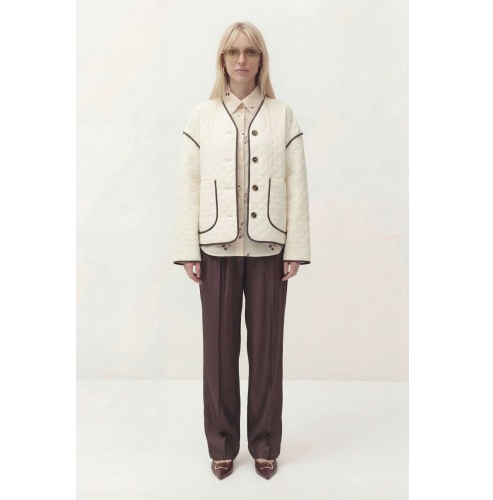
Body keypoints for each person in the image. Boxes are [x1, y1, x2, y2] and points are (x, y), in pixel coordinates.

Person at [172, 21, 311, 480]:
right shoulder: (202, 116)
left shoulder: (282, 115)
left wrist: (296, 246)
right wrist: (188, 248)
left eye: (250, 52)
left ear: (261, 60)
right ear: (222, 60)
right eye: (233, 52)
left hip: (270, 248)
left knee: (267, 352)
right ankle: (222, 445)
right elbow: (189, 184)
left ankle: (265, 442)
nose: (241, 60)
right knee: (219, 352)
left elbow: (296, 183)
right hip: (215, 248)